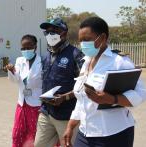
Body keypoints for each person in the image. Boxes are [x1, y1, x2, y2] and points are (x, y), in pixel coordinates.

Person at [63, 17, 146, 147]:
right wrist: (70, 126)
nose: (82, 44)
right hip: (85, 133)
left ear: (102, 38)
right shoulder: (86, 62)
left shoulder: (119, 61)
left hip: (113, 134)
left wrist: (112, 99)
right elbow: (81, 100)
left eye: (87, 39)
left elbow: (141, 93)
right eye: (80, 40)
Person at [34, 18, 84, 147]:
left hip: (67, 115)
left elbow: (85, 86)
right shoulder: (45, 56)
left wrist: (65, 97)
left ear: (65, 33)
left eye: (55, 30)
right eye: (48, 32)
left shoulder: (75, 55)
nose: (51, 34)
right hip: (46, 112)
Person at [6, 34, 42, 147]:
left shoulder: (42, 61)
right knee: (17, 133)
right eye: (23, 48)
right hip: (22, 103)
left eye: (28, 47)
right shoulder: (19, 60)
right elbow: (15, 79)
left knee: (33, 134)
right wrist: (11, 71)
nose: (25, 50)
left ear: (35, 47)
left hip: (36, 104)